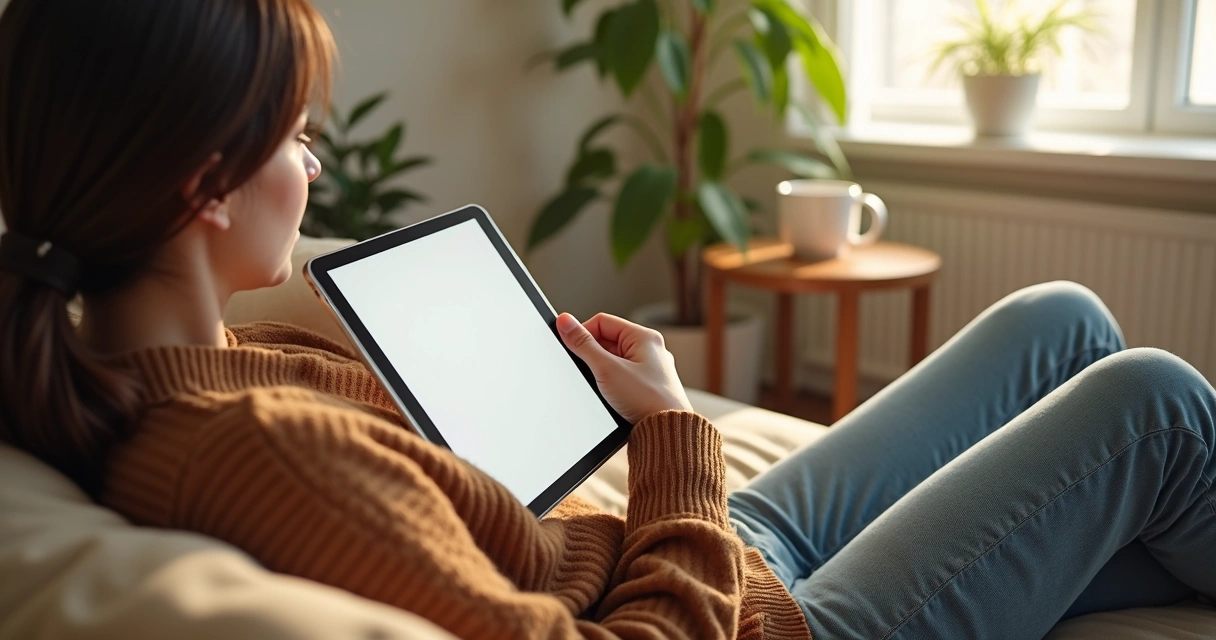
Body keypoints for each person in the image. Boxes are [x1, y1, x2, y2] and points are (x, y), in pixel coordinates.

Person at [0, 1, 1211, 638]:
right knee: (1149, 400)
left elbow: (441, 522)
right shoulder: (253, 449)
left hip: (671, 554)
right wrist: (673, 436)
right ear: (200, 188)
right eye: (294, 136)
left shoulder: (206, 360)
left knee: (1059, 317)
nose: (313, 163)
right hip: (751, 622)